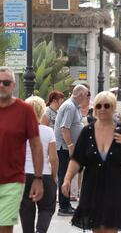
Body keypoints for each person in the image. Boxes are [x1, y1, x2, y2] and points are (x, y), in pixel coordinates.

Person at [62, 91, 121, 232]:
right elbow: (77, 159)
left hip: (116, 187)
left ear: (113, 107)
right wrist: (67, 179)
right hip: (92, 187)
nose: (102, 109)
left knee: (110, 229)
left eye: (107, 105)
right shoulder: (87, 132)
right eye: (98, 106)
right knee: (96, 229)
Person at [0, 67, 44, 233]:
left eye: (6, 82)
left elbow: (36, 145)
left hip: (12, 181)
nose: (1, 86)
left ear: (13, 86)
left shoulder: (24, 111)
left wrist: (38, 178)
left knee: (4, 228)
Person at [20, 96, 58, 233]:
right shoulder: (48, 131)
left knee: (26, 210)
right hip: (44, 174)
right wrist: (54, 176)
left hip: (24, 175)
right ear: (42, 111)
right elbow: (53, 158)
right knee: (47, 208)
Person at [54, 84, 90, 216]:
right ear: (80, 95)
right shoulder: (69, 106)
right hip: (64, 148)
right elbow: (64, 128)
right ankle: (64, 206)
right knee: (64, 176)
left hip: (66, 147)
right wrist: (70, 146)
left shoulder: (74, 106)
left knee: (66, 175)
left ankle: (66, 204)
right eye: (86, 95)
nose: (87, 98)